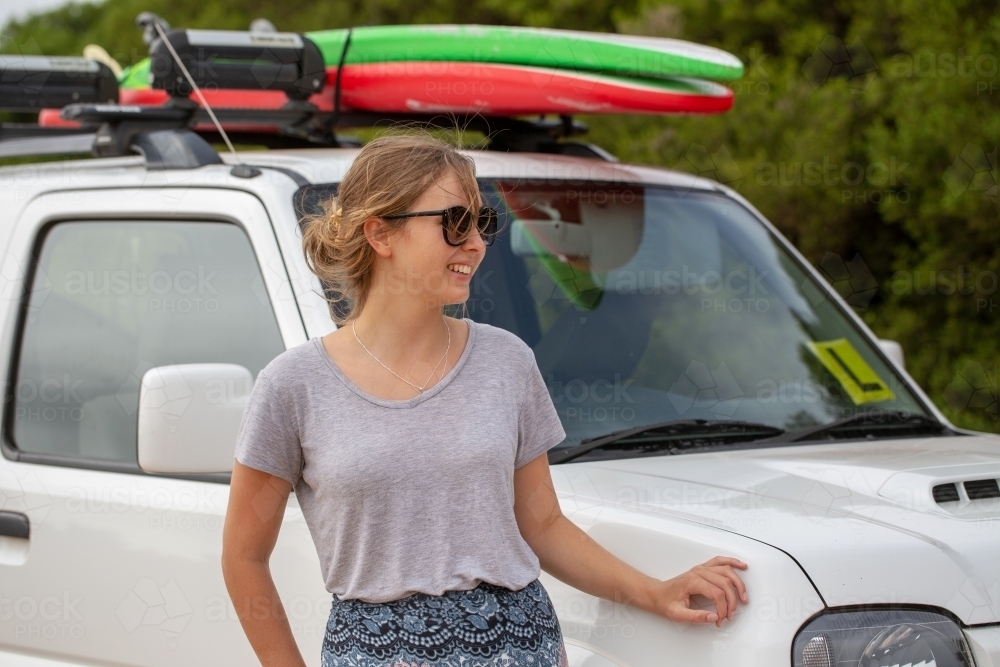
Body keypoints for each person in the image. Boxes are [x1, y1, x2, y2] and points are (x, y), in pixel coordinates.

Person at [221, 131, 749, 667]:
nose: (475, 243)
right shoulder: (292, 386)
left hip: (524, 649)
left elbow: (542, 525)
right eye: (454, 223)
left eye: (482, 223)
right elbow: (243, 558)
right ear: (380, 233)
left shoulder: (506, 361)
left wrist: (654, 591)